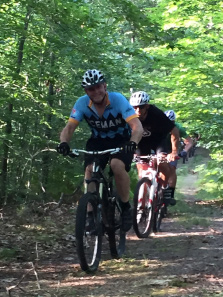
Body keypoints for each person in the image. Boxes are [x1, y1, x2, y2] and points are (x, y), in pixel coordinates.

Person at [57, 69, 143, 231]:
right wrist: (63, 143)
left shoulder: (118, 100)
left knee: (117, 165)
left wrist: (133, 142)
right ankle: (90, 215)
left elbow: (137, 126)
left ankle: (125, 208)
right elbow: (69, 127)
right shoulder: (82, 103)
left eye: (98, 87)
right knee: (90, 170)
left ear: (104, 86)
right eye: (91, 89)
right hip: (98, 141)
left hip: (122, 140)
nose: (95, 91)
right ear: (86, 91)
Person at [129, 91, 180, 206]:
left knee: (161, 162)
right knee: (142, 171)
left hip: (158, 141)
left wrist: (174, 152)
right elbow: (124, 134)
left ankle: (164, 187)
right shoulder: (129, 115)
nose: (138, 111)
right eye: (134, 107)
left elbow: (174, 130)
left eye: (141, 107)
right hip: (141, 143)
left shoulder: (156, 114)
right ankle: (141, 206)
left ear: (147, 106)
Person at [165, 110, 193, 203]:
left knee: (172, 168)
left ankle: (170, 194)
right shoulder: (158, 125)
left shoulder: (178, 128)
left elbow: (189, 141)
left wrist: (185, 151)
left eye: (171, 122)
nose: (169, 125)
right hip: (160, 148)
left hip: (173, 150)